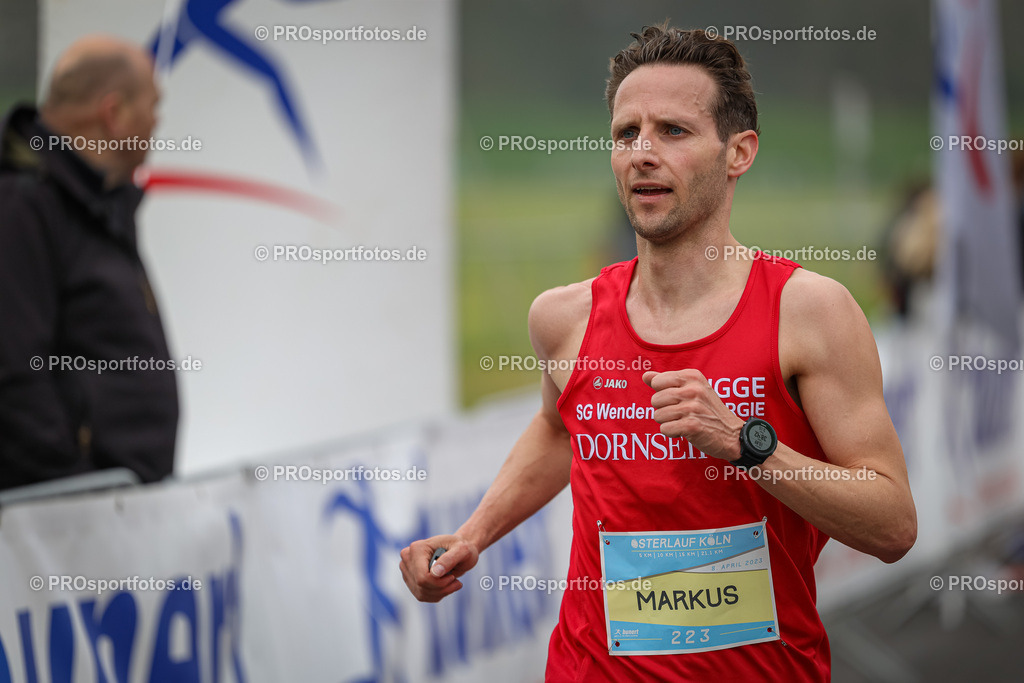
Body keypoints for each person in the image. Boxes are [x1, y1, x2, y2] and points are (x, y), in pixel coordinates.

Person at [400, 25, 916, 681]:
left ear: (739, 152)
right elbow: (559, 428)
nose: (642, 153)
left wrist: (746, 443)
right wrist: (473, 534)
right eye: (627, 134)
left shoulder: (809, 314)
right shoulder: (564, 318)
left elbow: (892, 527)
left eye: (673, 131)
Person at [0, 35, 178, 490]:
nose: (157, 123)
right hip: (70, 515)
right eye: (152, 106)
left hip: (118, 507)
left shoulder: (97, 206)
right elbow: (14, 371)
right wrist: (77, 488)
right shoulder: (22, 205)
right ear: (113, 113)